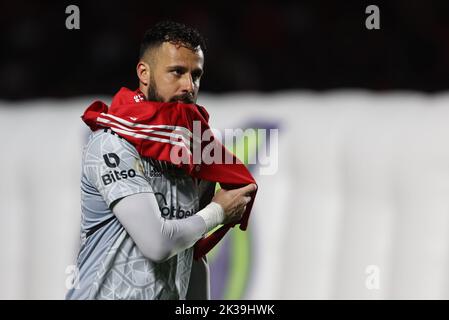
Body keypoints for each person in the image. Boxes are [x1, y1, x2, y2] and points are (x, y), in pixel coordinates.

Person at [66, 21, 256, 300]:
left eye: (196, 75)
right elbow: (157, 242)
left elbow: (190, 254)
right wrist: (217, 212)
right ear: (144, 73)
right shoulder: (114, 142)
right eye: (177, 72)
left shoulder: (193, 149)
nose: (189, 86)